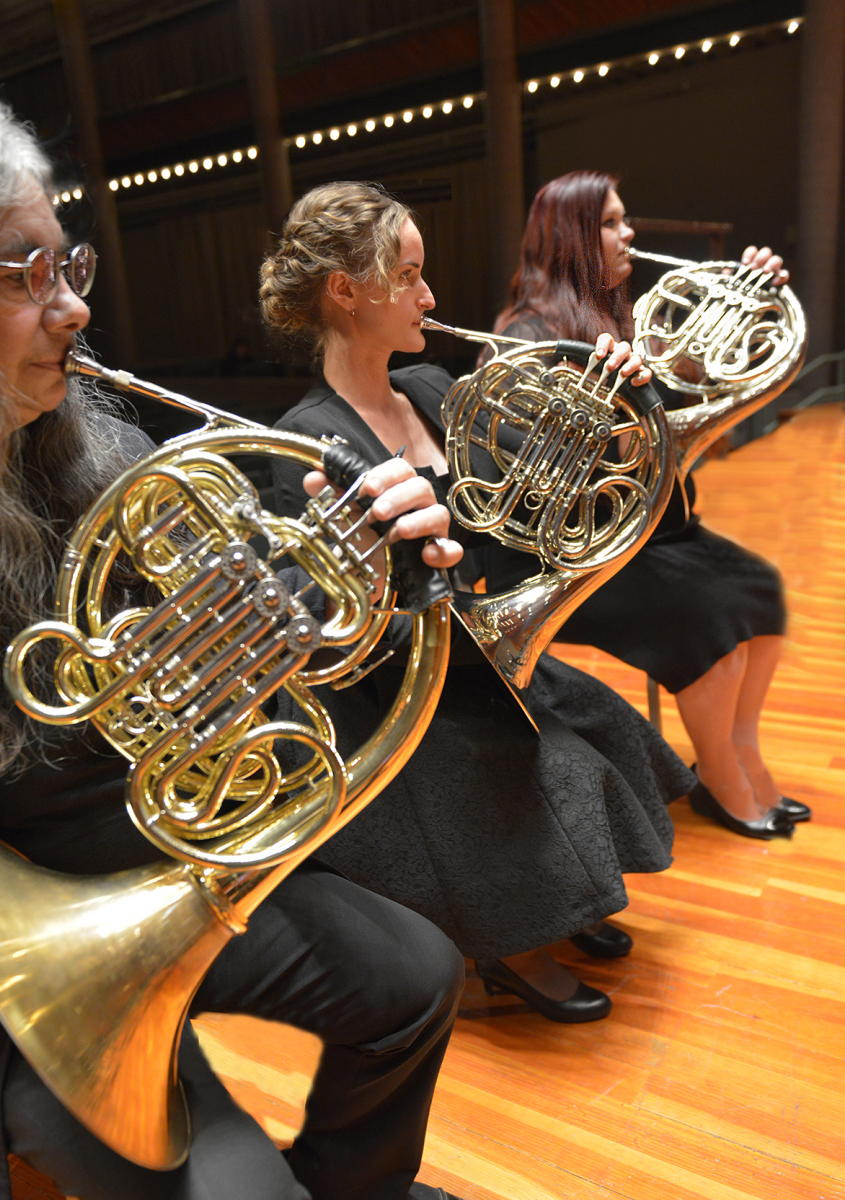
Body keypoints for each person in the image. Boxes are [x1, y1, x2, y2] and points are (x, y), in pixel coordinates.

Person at [0, 82, 470, 1200]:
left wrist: (363, 554)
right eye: (23, 274)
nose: (73, 312)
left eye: (69, 266)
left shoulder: (78, 451)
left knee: (416, 977)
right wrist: (16, 934)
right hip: (1, 981)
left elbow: (231, 636)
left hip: (171, 861)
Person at [260, 180, 695, 1026]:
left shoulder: (429, 387)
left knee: (593, 721)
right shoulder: (304, 441)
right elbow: (329, 627)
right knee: (521, 767)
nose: (429, 296)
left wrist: (610, 403)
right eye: (410, 275)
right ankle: (510, 948)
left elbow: (529, 516)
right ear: (345, 292)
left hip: (477, 650)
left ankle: (559, 908)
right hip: (398, 687)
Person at [488, 170, 802, 840]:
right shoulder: (525, 334)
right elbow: (539, 479)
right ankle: (720, 781)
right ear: (570, 237)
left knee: (759, 591)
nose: (627, 233)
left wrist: (750, 296)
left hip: (653, 534)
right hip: (582, 553)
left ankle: (740, 755)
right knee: (710, 612)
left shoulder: (621, 315)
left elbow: (686, 417)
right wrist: (619, 416)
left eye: (622, 220)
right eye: (609, 223)